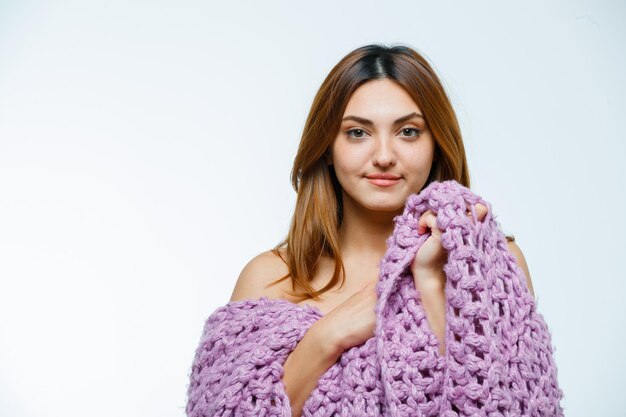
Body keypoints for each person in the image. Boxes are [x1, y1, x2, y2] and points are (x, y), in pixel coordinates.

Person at [228, 43, 535, 417]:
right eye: (358, 133)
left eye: (408, 131)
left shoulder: (490, 265)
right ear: (327, 146)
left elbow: (509, 406)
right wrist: (327, 338)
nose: (385, 155)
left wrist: (430, 283)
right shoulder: (271, 278)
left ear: (436, 145)